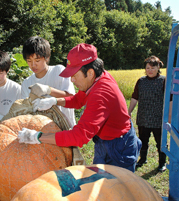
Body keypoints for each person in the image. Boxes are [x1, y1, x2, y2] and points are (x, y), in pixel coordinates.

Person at [18, 43, 142, 173]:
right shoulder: (97, 78)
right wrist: (55, 101)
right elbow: (78, 100)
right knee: (99, 181)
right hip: (103, 140)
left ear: (90, 72)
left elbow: (79, 136)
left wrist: (37, 137)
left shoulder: (101, 94)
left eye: (74, 75)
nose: (71, 80)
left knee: (116, 189)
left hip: (119, 146)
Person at [21, 36, 76, 128]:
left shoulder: (59, 71)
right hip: (41, 133)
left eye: (37, 60)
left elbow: (72, 97)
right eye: (29, 61)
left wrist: (49, 90)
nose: (33, 65)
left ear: (46, 58)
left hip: (66, 129)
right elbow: (25, 111)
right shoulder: (26, 83)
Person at [128, 55, 167, 172]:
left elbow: (169, 98)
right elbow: (135, 97)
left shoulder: (164, 81)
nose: (150, 70)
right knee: (142, 141)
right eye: (148, 68)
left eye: (153, 68)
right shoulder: (141, 81)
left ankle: (162, 163)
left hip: (158, 118)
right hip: (143, 117)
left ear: (158, 67)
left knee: (161, 142)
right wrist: (128, 111)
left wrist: (169, 115)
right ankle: (142, 159)